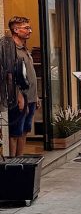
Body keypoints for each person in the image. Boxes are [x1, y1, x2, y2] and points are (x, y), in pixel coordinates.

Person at [1, 16, 39, 156]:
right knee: (15, 132)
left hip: (30, 97)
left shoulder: (24, 49)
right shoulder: (11, 50)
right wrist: (18, 96)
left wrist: (35, 97)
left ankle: (21, 159)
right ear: (15, 30)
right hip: (19, 98)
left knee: (24, 130)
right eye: (26, 28)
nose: (29, 31)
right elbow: (9, 76)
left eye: (29, 27)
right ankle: (12, 163)